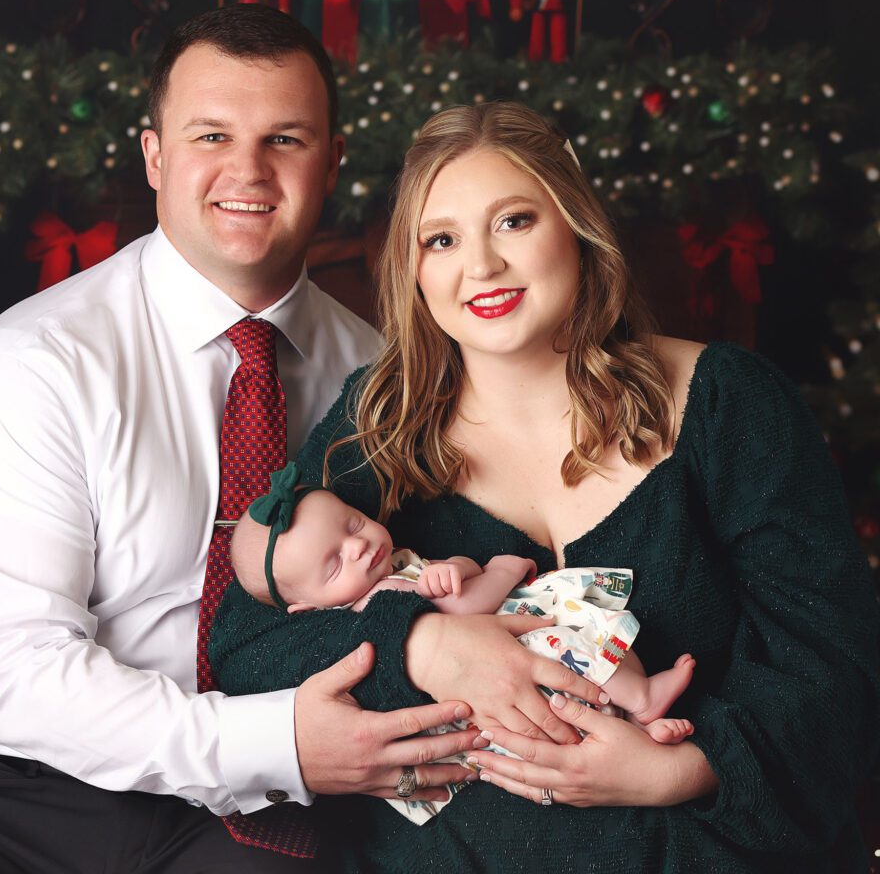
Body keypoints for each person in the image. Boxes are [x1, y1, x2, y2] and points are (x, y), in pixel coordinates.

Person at [0, 6, 507, 873]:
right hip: (21, 792)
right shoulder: (34, 364)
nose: (249, 170)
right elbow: (14, 669)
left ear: (333, 162)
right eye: (211, 136)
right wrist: (270, 742)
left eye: (285, 139)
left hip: (282, 810)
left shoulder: (385, 379)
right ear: (155, 156)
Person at [211, 102, 880, 873]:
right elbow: (249, 644)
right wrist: (421, 644)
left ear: (576, 228)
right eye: (441, 239)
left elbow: (836, 675)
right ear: (413, 269)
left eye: (514, 221)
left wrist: (682, 772)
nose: (481, 266)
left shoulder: (729, 402)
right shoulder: (380, 421)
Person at [231, 465, 695, 746]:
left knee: (585, 646)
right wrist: (500, 572)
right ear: (309, 609)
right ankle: (640, 699)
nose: (358, 547)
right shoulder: (378, 602)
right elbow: (462, 609)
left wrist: (456, 565)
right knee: (572, 638)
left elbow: (450, 578)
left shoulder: (395, 565)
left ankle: (637, 727)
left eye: (353, 524)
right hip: (500, 659)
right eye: (334, 565)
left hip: (503, 656)